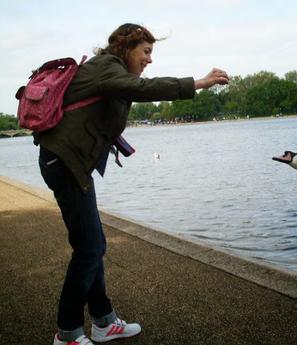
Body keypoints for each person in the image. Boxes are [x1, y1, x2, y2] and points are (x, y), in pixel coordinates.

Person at [34, 23, 229, 345]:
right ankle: (67, 333)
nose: (149, 60)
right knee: (90, 248)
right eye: (146, 52)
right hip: (65, 162)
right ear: (126, 48)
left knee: (92, 246)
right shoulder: (106, 67)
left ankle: (104, 322)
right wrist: (200, 83)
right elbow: (143, 89)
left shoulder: (108, 71)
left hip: (70, 163)